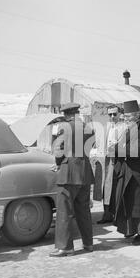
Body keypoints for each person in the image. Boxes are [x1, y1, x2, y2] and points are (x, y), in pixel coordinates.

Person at [49, 102, 95, 257]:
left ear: (66, 115)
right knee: (83, 210)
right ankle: (88, 243)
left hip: (68, 173)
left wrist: (57, 164)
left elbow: (58, 148)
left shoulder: (64, 127)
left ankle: (65, 247)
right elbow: (89, 148)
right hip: (85, 172)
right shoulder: (88, 127)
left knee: (64, 211)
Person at [111, 100, 140, 246]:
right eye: (125, 118)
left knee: (139, 206)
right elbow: (122, 145)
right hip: (129, 172)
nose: (125, 120)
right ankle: (130, 230)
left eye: (128, 118)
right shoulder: (130, 128)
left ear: (136, 116)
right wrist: (115, 148)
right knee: (129, 204)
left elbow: (138, 150)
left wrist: (116, 149)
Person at [97, 105, 126, 224]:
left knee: (116, 187)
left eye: (115, 114)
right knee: (106, 187)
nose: (112, 117)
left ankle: (117, 215)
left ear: (119, 114)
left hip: (119, 160)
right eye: (110, 114)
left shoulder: (124, 127)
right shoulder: (107, 126)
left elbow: (124, 145)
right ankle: (107, 214)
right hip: (107, 160)